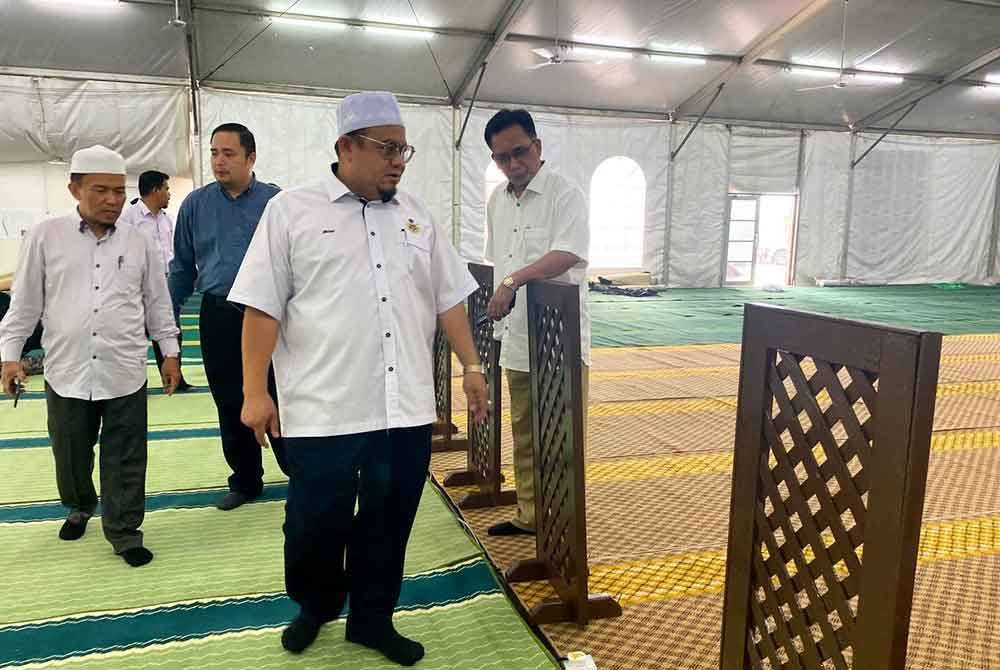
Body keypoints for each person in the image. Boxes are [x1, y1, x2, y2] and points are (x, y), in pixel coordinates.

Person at [230, 91, 488, 667]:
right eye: (386, 148)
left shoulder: (417, 216)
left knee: (388, 523)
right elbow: (261, 308)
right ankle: (316, 605)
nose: (399, 160)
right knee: (312, 524)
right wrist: (254, 392)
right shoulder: (292, 211)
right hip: (323, 409)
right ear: (345, 147)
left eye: (404, 149)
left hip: (405, 410)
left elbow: (449, 298)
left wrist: (471, 367)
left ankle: (372, 619)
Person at [0, 145, 181, 567]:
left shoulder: (139, 242)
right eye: (101, 190)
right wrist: (10, 356)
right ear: (74, 189)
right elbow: (24, 303)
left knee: (126, 457)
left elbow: (157, 302)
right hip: (66, 371)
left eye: (119, 191)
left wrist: (169, 352)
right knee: (70, 454)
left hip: (124, 371)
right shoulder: (46, 236)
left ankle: (124, 531)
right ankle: (80, 505)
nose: (113, 200)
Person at [482, 109, 591, 537]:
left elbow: (566, 254)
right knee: (524, 433)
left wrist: (514, 280)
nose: (512, 164)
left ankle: (563, 524)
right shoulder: (497, 200)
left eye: (519, 152)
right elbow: (498, 261)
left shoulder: (566, 194)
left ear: (538, 146)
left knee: (561, 438)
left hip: (558, 340)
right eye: (502, 158)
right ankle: (530, 516)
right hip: (517, 339)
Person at [169, 123, 288, 511]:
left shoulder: (277, 202)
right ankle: (246, 480)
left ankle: (300, 469)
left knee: (282, 391)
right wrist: (168, 319)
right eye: (214, 153)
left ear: (251, 158)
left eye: (229, 154)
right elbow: (183, 266)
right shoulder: (195, 205)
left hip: (270, 313)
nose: (219, 161)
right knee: (227, 396)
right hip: (218, 312)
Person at [119, 170, 192, 391]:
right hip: (138, 286)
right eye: (167, 189)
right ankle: (132, 384)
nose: (169, 194)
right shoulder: (129, 218)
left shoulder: (167, 219)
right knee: (135, 336)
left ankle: (173, 377)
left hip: (166, 283)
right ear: (155, 190)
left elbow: (171, 252)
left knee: (171, 331)